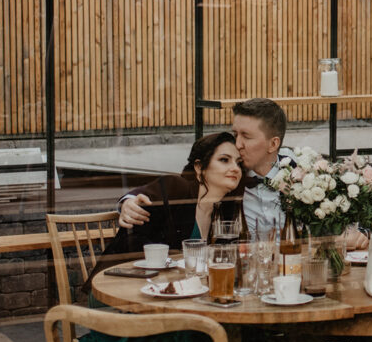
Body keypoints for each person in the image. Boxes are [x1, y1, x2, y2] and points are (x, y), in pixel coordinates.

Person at [77, 132, 246, 342]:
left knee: (216, 331)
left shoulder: (226, 210)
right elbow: (140, 197)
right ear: (199, 167)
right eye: (224, 160)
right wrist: (127, 202)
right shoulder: (176, 189)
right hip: (125, 292)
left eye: (238, 163)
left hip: (176, 298)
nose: (234, 168)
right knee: (189, 330)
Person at [120, 98, 289, 237]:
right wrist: (128, 201)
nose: (238, 144)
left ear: (273, 144)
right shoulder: (228, 186)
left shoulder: (300, 176)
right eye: (236, 134)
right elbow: (160, 190)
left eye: (246, 136)